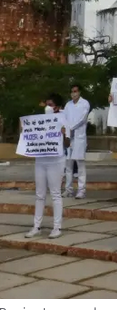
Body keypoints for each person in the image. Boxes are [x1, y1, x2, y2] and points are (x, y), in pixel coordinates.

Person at [25, 94, 67, 239]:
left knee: (55, 194)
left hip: (56, 160)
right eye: (47, 104)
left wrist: (64, 134)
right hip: (41, 160)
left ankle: (57, 227)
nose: (48, 107)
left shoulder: (64, 117)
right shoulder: (39, 120)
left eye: (51, 105)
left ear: (58, 106)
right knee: (39, 194)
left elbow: (68, 142)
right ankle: (36, 226)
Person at [63, 84, 90, 199]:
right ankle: (68, 189)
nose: (74, 93)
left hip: (79, 137)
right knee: (68, 165)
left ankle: (81, 190)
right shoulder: (68, 105)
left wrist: (71, 128)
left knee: (80, 165)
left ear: (79, 92)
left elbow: (82, 119)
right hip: (69, 137)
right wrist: (66, 130)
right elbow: (64, 118)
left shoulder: (85, 103)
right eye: (72, 91)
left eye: (75, 91)